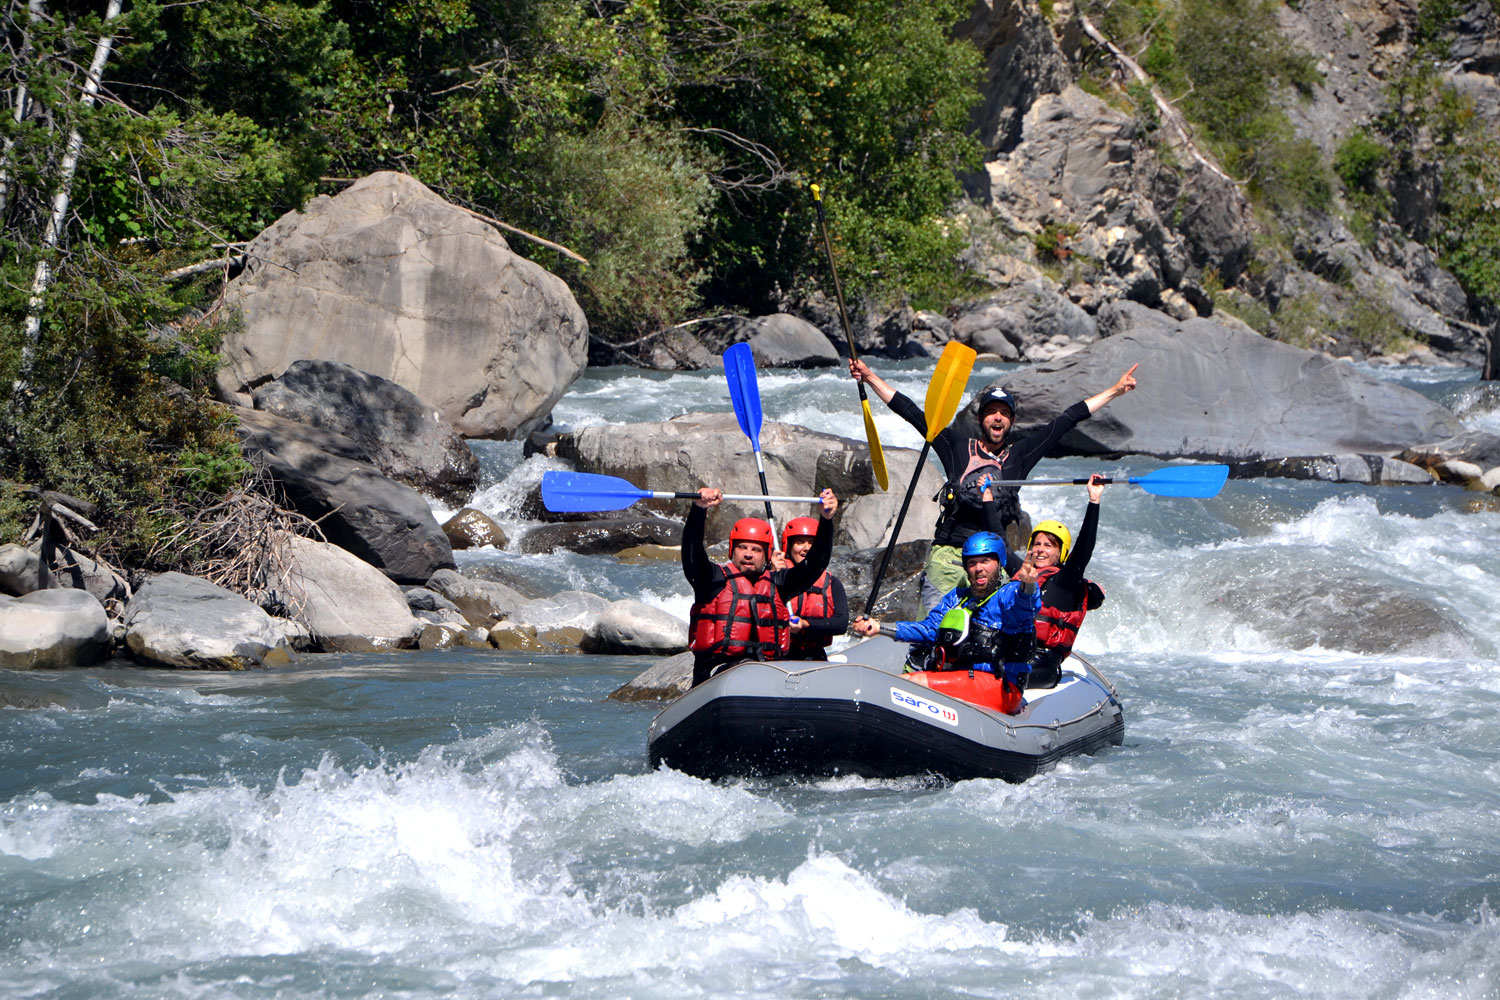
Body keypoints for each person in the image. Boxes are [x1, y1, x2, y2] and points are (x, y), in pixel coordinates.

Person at [849, 357, 1137, 611]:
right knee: (937, 632)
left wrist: (1115, 390)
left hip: (993, 561)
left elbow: (1067, 419)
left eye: (1004, 413)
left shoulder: (1020, 456)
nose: (997, 417)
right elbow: (912, 412)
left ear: (1011, 421)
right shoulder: (956, 446)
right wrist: (870, 377)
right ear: (981, 419)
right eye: (991, 412)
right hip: (950, 557)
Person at [851, 531, 1040, 713]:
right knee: (903, 681)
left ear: (1000, 563)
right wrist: (879, 628)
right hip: (962, 677)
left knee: (912, 683)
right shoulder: (957, 597)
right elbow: (929, 629)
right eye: (972, 563)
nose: (978, 568)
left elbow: (1026, 606)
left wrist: (1028, 585)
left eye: (985, 561)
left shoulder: (1009, 594)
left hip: (1001, 685)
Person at [682, 487, 839, 686]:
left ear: (766, 555)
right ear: (732, 550)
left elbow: (815, 565)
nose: (748, 554)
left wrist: (826, 520)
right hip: (717, 674)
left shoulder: (779, 584)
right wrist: (699, 509)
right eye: (742, 547)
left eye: (756, 550)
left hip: (767, 675)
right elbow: (692, 552)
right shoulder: (711, 579)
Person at [1017, 474, 1109, 689]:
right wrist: (987, 498)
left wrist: (1094, 501)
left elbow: (1084, 549)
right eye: (1037, 544)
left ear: (1061, 553)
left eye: (1049, 545)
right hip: (1013, 653)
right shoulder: (1022, 572)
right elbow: (999, 541)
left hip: (1041, 664)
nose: (1040, 550)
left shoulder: (1065, 582)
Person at [777, 517, 849, 661]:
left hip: (815, 656)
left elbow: (841, 624)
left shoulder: (832, 583)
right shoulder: (777, 577)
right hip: (781, 656)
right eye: (800, 542)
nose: (806, 548)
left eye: (812, 543)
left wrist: (805, 624)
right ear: (789, 546)